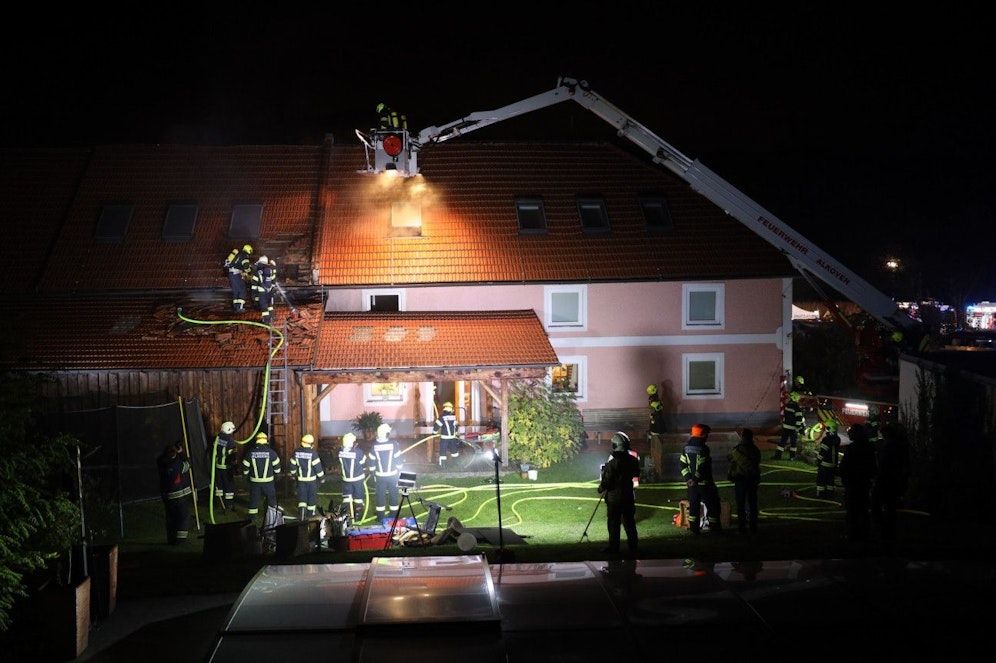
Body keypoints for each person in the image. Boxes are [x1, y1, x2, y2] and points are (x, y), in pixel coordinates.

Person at [597, 432, 640, 555]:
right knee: (630, 523)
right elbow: (636, 474)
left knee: (613, 524)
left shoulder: (612, 464)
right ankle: (633, 547)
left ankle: (613, 547)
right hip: (628, 496)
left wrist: (600, 488)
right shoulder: (633, 461)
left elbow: (606, 482)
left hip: (614, 499)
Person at [680, 423, 723, 534]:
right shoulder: (703, 448)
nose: (707, 436)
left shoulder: (686, 448)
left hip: (692, 486)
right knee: (713, 505)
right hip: (705, 485)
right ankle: (714, 528)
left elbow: (682, 465)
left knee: (693, 507)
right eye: (706, 434)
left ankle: (694, 529)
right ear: (702, 434)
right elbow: (703, 466)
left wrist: (689, 479)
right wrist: (695, 479)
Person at [838, 423, 876, 543]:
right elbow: (873, 467)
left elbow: (844, 467)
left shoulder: (851, 449)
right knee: (863, 510)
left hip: (853, 484)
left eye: (851, 431)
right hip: (864, 484)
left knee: (852, 511)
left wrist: (841, 475)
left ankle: (852, 535)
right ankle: (865, 534)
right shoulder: (869, 448)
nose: (848, 433)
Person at [871, 422, 909, 541]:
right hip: (893, 481)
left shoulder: (888, 446)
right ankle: (888, 531)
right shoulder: (898, 446)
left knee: (877, 504)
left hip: (885, 480)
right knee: (889, 506)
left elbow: (883, 464)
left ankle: (883, 530)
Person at [242, 431, 282, 526]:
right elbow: (277, 466)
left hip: (255, 482)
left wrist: (246, 475)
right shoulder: (271, 453)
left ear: (257, 441)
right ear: (266, 441)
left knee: (254, 499)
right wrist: (277, 475)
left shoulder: (251, 452)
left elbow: (245, 466)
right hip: (268, 482)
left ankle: (252, 518)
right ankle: (271, 516)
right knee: (271, 499)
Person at [157, 440, 192, 545]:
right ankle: (180, 540)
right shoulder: (177, 465)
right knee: (184, 516)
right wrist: (181, 452)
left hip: (167, 497)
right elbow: (188, 464)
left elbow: (161, 458)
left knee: (171, 518)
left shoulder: (161, 463)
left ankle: (171, 539)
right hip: (179, 496)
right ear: (175, 454)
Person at [727, 428, 761, 534]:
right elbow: (758, 460)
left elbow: (729, 458)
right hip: (752, 479)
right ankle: (753, 526)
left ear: (742, 437)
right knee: (753, 503)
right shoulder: (755, 449)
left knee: (740, 504)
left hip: (740, 479)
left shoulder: (737, 450)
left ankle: (742, 527)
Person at [367, 422, 403, 521]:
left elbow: (371, 462)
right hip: (393, 475)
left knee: (380, 496)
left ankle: (380, 516)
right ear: (387, 434)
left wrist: (373, 474)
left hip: (380, 476)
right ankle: (394, 516)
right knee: (393, 495)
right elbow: (398, 459)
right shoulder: (393, 444)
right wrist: (399, 470)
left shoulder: (374, 446)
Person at [289, 433, 325, 521]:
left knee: (302, 496)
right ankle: (310, 514)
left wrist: (293, 474)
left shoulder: (296, 452)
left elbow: (292, 465)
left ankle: (301, 512)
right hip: (311, 480)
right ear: (311, 444)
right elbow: (318, 468)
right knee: (311, 497)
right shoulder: (313, 453)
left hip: (301, 479)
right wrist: (322, 478)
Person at [338, 432, 367, 521]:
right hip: (357, 478)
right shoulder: (358, 452)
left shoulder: (340, 452)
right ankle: (357, 513)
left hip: (346, 479)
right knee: (358, 497)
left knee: (347, 497)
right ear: (352, 443)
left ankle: (346, 514)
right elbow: (363, 463)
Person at [211, 421, 238, 509]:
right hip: (226, 468)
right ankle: (229, 504)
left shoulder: (217, 438)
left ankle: (219, 503)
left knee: (219, 486)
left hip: (217, 466)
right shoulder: (231, 442)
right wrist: (235, 467)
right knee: (228, 486)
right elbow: (232, 457)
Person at [774, 390, 806, 460]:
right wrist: (798, 429)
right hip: (793, 429)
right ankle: (792, 457)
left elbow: (786, 417)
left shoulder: (787, 406)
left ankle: (777, 456)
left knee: (782, 442)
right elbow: (799, 420)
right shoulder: (797, 408)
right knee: (793, 444)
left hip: (786, 428)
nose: (788, 398)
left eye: (790, 397)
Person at [815, 420, 842, 498]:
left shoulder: (826, 440)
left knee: (821, 479)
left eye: (826, 427)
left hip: (824, 464)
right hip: (833, 465)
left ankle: (820, 493)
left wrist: (818, 461)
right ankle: (830, 493)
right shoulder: (837, 439)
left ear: (829, 428)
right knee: (830, 479)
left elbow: (822, 452)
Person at [223, 244, 253, 312]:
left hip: (231, 273)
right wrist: (249, 273)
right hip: (236, 274)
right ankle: (240, 307)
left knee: (236, 290)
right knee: (242, 289)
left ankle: (236, 307)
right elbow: (246, 268)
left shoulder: (238, 254)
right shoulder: (245, 256)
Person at [433, 401, 460, 468]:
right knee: (454, 451)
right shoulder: (454, 417)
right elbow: (456, 426)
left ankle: (443, 465)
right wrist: (456, 433)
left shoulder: (442, 417)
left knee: (443, 451)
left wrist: (434, 433)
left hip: (445, 438)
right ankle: (456, 464)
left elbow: (436, 426)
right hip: (452, 438)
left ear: (444, 408)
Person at [250, 255, 276, 325]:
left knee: (264, 306)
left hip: (262, 291)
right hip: (270, 290)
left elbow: (254, 284)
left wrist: (254, 295)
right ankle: (272, 316)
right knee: (269, 304)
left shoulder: (257, 272)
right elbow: (273, 280)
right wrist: (272, 289)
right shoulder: (270, 270)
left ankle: (266, 320)